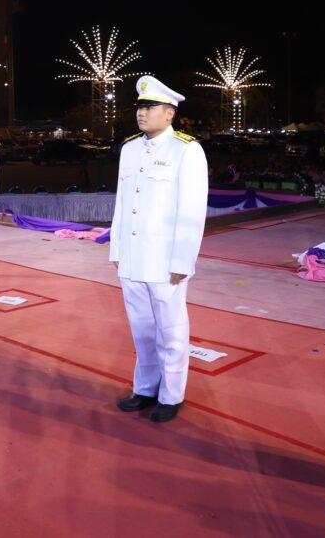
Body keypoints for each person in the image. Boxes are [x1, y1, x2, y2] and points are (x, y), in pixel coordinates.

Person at [109, 75, 209, 423]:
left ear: (169, 113)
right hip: (133, 258)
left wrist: (182, 260)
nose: (142, 112)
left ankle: (171, 394)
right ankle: (145, 388)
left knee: (170, 330)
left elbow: (192, 211)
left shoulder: (186, 150)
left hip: (165, 260)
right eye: (139, 106)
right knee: (142, 329)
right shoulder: (130, 149)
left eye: (150, 106)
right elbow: (123, 203)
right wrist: (117, 250)